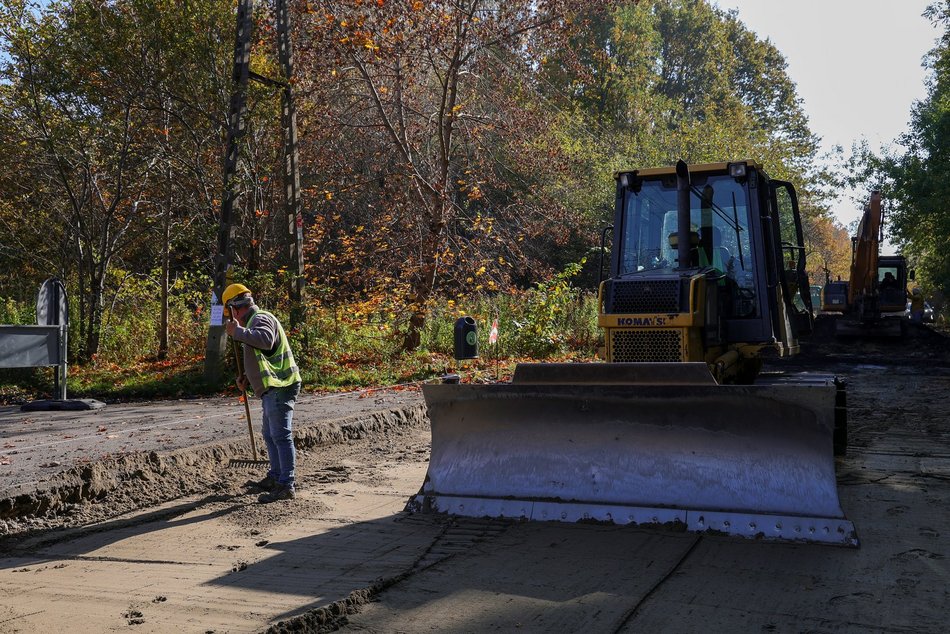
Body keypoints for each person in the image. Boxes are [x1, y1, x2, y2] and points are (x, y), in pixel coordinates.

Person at [222, 283, 302, 503]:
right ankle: (276, 476)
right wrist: (248, 378)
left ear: (235, 309)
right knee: (270, 435)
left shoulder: (260, 318)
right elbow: (263, 356)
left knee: (280, 435)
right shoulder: (252, 322)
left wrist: (237, 332)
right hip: (272, 387)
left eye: (230, 312)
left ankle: (286, 484)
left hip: (281, 385)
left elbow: (266, 341)